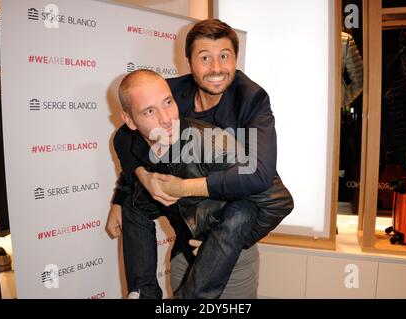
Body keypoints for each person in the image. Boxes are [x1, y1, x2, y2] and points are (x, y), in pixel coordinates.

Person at [107, 19, 293, 299]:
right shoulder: (170, 95)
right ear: (189, 62)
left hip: (230, 251)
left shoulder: (251, 101)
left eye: (225, 56)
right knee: (137, 198)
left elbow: (261, 178)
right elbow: (127, 137)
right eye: (205, 58)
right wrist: (129, 190)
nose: (216, 68)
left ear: (236, 59)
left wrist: (218, 244)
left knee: (241, 209)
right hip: (185, 248)